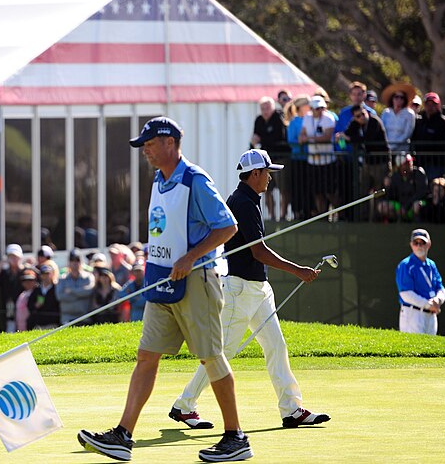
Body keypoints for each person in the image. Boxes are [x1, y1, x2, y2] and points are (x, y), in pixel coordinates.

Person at [78, 116, 252, 463]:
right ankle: (123, 435)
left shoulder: (195, 179)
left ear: (170, 142)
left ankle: (236, 437)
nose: (145, 151)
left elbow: (228, 227)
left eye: (150, 144)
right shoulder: (159, 179)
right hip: (161, 281)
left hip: (198, 281)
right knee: (147, 355)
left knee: (211, 357)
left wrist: (190, 257)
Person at [170, 148, 330, 431]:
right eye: (267, 172)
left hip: (258, 290)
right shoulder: (243, 203)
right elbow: (259, 252)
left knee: (276, 347)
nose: (270, 177)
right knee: (222, 353)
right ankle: (184, 405)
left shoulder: (249, 199)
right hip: (241, 290)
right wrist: (298, 271)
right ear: (254, 174)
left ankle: (291, 409)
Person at [336, 104, 391, 220]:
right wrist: (342, 135)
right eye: (358, 116)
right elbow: (348, 132)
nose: (361, 117)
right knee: (362, 192)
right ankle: (363, 219)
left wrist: (348, 138)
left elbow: (367, 139)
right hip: (368, 163)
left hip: (380, 163)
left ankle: (378, 220)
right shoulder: (356, 122)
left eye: (363, 114)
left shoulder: (374, 122)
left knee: (379, 193)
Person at [396, 229, 445, 335]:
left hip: (431, 314)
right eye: (416, 243)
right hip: (413, 313)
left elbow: (440, 288)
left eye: (422, 243)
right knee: (413, 349)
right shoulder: (406, 265)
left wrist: (437, 300)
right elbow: (406, 294)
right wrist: (428, 304)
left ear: (429, 244)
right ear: (411, 245)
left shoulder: (431, 265)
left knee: (430, 348)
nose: (419, 246)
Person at [251, 96, 289, 221]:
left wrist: (262, 139)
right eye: (263, 108)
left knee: (284, 188)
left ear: (273, 107)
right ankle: (272, 216)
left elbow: (279, 137)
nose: (265, 110)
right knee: (266, 189)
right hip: (266, 161)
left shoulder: (279, 117)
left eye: (267, 107)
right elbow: (255, 138)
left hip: (280, 158)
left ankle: (283, 216)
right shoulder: (259, 120)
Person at [299, 95, 339, 216]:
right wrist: (311, 138)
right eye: (316, 108)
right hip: (313, 161)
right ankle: (322, 215)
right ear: (311, 108)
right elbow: (301, 137)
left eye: (321, 107)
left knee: (330, 191)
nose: (319, 110)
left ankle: (340, 214)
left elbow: (327, 137)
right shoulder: (307, 118)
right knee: (317, 191)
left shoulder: (329, 118)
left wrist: (309, 138)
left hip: (328, 161)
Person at [412, 92, 445, 183]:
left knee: (434, 188)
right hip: (421, 162)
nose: (430, 107)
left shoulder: (444, 122)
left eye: (433, 104)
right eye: (428, 104)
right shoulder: (419, 121)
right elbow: (414, 139)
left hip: (437, 164)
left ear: (438, 105)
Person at [378, 154, 429, 222]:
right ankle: (396, 222)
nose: (410, 164)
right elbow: (391, 195)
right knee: (382, 206)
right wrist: (387, 187)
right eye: (406, 163)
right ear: (400, 166)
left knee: (417, 205)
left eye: (410, 162)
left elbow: (421, 193)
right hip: (400, 206)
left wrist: (406, 207)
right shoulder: (395, 177)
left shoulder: (419, 173)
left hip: (413, 205)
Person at [0, 243, 24, 333]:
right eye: (11, 257)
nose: (14, 259)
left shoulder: (25, 271)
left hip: (23, 306)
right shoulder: (5, 273)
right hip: (9, 307)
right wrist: (2, 262)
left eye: (16, 257)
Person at [287, 95, 312, 219]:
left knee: (309, 187)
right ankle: (298, 212)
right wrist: (301, 142)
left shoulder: (311, 119)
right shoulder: (294, 122)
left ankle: (309, 211)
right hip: (297, 160)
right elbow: (291, 140)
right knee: (298, 187)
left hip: (310, 160)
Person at [56, 248, 95, 324]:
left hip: (85, 317)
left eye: (77, 260)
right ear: (68, 262)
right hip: (67, 318)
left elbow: (89, 291)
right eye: (72, 260)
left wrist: (71, 290)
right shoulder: (62, 279)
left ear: (81, 262)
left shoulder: (88, 277)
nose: (75, 263)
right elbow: (60, 296)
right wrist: (80, 294)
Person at [380, 82, 417, 155]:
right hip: (387, 150)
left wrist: (393, 145)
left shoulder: (410, 114)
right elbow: (382, 130)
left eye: (402, 97)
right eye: (396, 97)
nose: (399, 100)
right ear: (392, 98)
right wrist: (387, 145)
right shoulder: (386, 113)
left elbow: (407, 134)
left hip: (402, 151)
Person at [28, 264, 61, 329]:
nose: (45, 276)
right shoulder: (36, 290)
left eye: (47, 274)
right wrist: (35, 305)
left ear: (52, 274)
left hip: (53, 323)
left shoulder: (56, 288)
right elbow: (29, 305)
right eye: (43, 274)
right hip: (38, 324)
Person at [15, 266, 38, 332]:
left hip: (31, 324)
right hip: (20, 325)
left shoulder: (36, 293)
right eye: (25, 280)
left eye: (30, 280)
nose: (28, 283)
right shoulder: (22, 294)